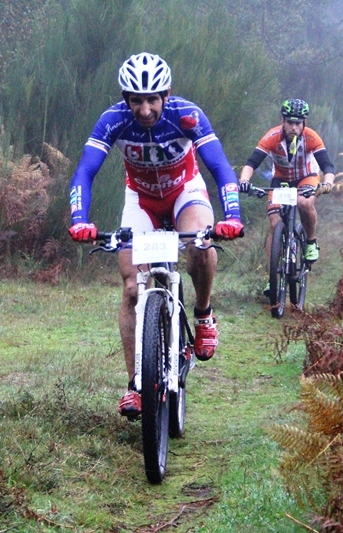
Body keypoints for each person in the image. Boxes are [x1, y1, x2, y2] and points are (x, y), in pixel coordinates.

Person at [68, 52, 244, 418]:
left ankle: (203, 313)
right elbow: (85, 171)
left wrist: (233, 215)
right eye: (136, 100)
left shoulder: (187, 115)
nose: (145, 109)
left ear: (165, 95)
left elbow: (220, 166)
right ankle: (135, 383)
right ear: (125, 99)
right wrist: (79, 219)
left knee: (200, 244)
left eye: (152, 99)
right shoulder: (112, 120)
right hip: (142, 199)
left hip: (184, 192)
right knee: (133, 287)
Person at [238, 99, 335, 285]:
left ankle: (310, 242)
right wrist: (244, 181)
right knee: (274, 224)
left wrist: (328, 183)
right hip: (281, 180)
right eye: (290, 122)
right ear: (282, 121)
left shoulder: (312, 137)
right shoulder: (272, 136)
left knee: (304, 203)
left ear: (304, 123)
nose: (294, 127)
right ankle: (272, 278)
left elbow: (327, 165)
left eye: (298, 123)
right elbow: (252, 163)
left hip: (307, 177)